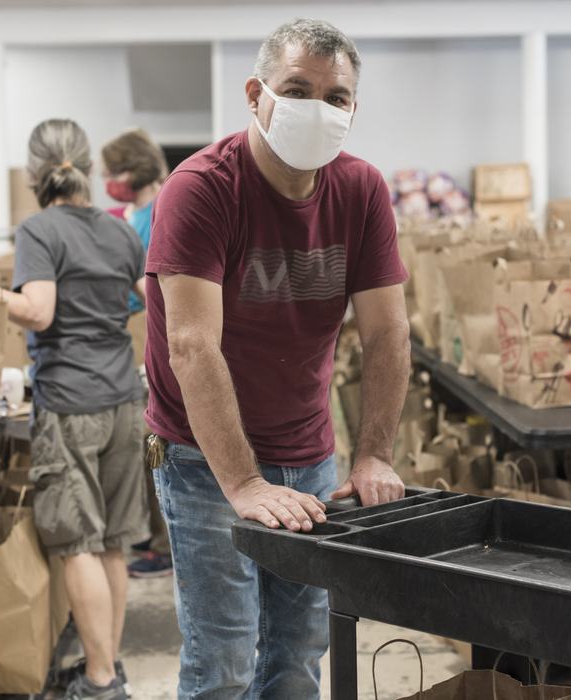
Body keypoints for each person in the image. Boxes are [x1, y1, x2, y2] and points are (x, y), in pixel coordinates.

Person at [145, 18, 411, 700]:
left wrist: (374, 454)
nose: (317, 109)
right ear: (255, 95)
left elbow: (386, 332)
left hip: (309, 455)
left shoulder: (361, 190)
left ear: (353, 109)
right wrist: (244, 483)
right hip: (206, 464)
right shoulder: (201, 189)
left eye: (335, 97)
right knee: (225, 662)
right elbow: (191, 344)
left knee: (298, 656)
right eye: (297, 90)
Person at [0, 118, 145, 700]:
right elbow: (149, 298)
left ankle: (100, 680)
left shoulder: (38, 230)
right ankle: (109, 667)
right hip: (124, 398)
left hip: (71, 402)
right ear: (87, 167)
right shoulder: (119, 229)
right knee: (112, 542)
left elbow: (38, 311)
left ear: (35, 173)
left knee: (77, 542)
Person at [100, 128, 174, 579]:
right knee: (138, 444)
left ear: (136, 169)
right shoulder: (123, 216)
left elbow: (157, 289)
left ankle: (166, 544)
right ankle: (151, 532)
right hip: (122, 341)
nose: (108, 181)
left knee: (158, 443)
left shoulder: (163, 209)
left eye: (114, 172)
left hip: (150, 337)